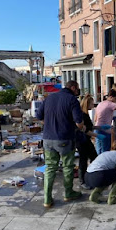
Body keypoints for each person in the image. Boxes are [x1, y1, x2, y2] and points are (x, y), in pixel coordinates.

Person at [36, 80, 85, 208]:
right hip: (65, 139)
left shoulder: (49, 98)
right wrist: (82, 128)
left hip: (47, 139)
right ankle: (68, 193)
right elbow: (79, 122)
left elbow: (38, 116)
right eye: (77, 89)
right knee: (68, 166)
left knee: (50, 167)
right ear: (73, 88)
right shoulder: (72, 100)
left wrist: (48, 125)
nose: (78, 91)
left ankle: (47, 199)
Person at [77, 95, 107, 190]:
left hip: (86, 140)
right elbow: (84, 130)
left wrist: (101, 127)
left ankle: (91, 176)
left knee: (93, 157)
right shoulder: (81, 115)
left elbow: (90, 127)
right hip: (81, 140)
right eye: (91, 103)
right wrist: (97, 136)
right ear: (87, 104)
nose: (93, 105)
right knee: (84, 159)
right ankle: (83, 181)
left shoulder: (85, 114)